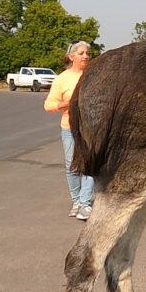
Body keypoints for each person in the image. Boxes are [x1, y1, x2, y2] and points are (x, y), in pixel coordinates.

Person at [44, 41, 94, 220]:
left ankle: (85, 203)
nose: (86, 56)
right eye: (81, 53)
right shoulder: (62, 79)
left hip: (90, 128)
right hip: (69, 129)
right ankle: (77, 201)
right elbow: (48, 105)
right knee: (72, 167)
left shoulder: (92, 76)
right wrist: (67, 103)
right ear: (71, 56)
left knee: (89, 164)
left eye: (87, 53)